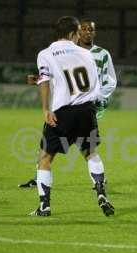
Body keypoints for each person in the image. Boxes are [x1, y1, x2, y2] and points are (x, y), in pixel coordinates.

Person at [30, 16, 114, 217]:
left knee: (45, 157)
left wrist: (45, 109)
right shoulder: (86, 54)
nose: (80, 35)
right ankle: (101, 192)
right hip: (86, 110)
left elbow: (45, 79)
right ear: (71, 33)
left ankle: (44, 206)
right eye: (78, 32)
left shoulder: (46, 53)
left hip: (63, 112)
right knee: (90, 153)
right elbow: (93, 84)